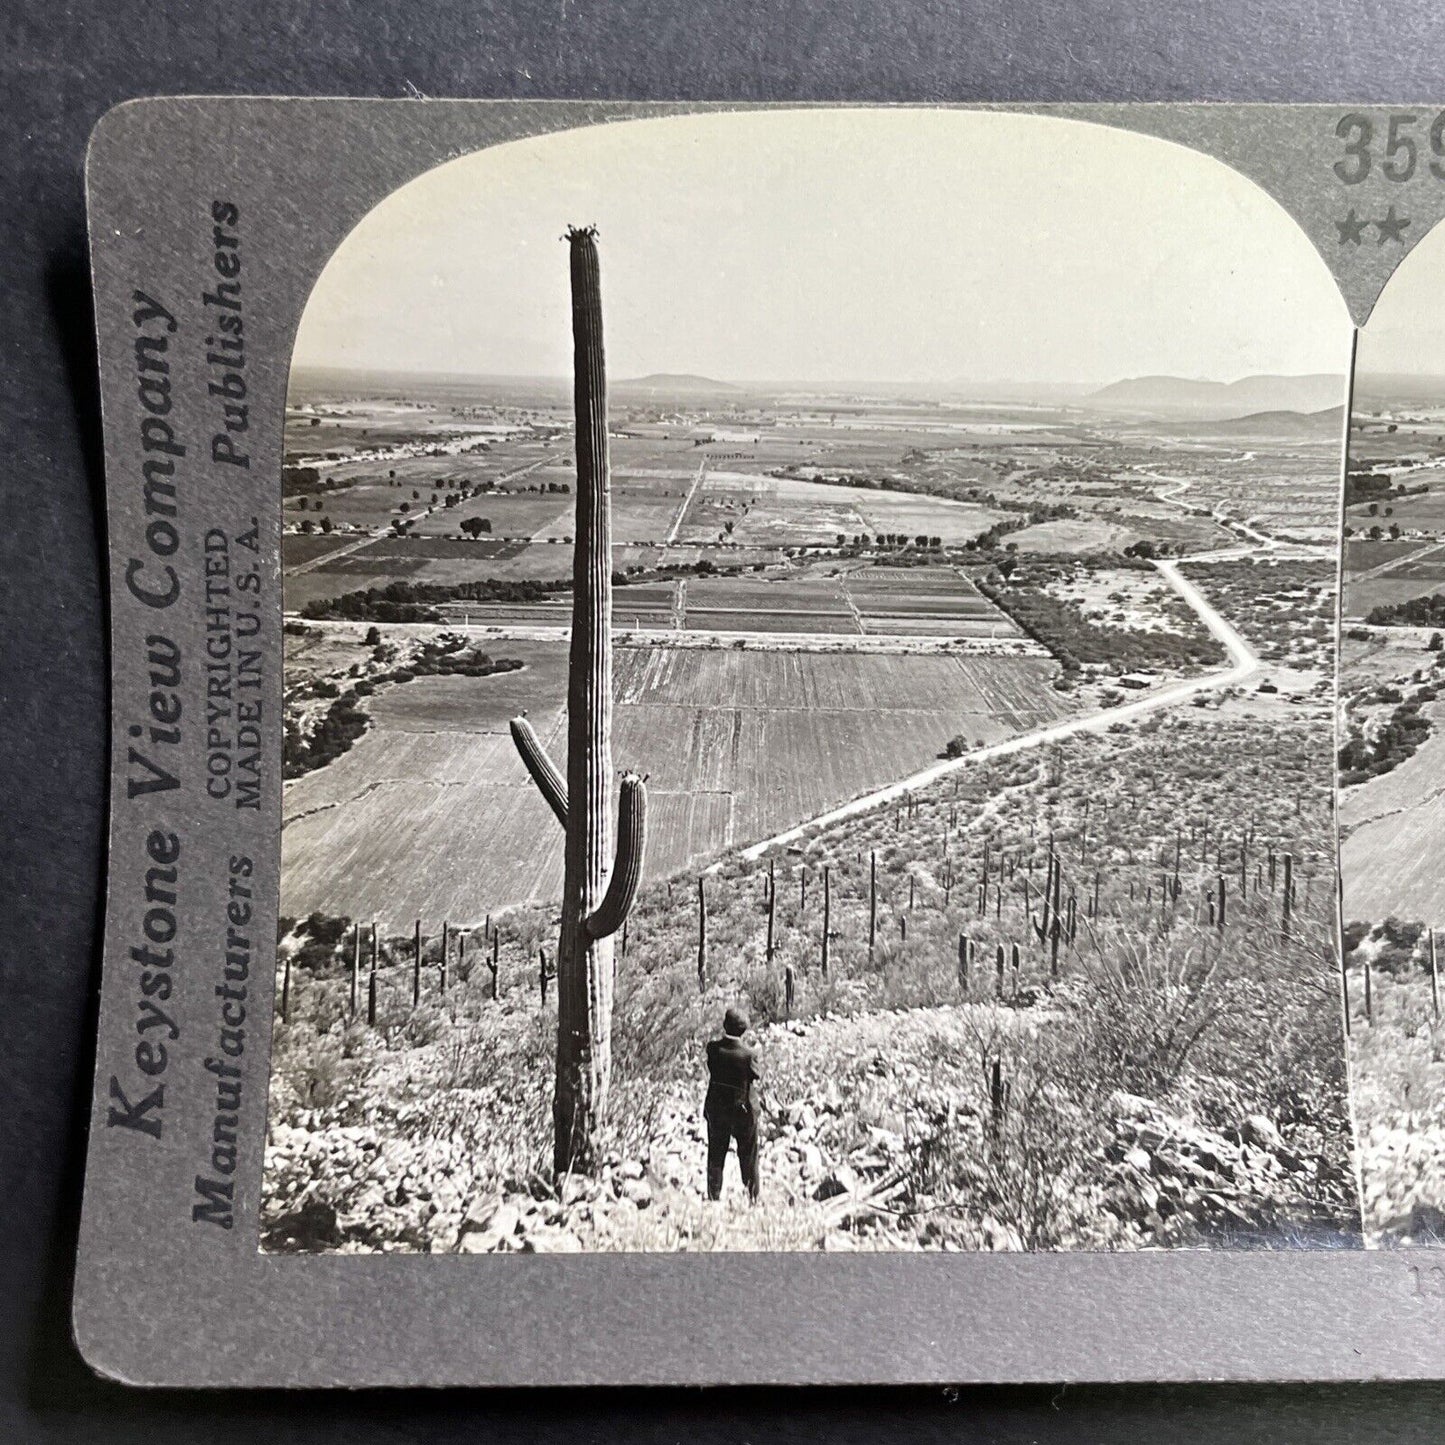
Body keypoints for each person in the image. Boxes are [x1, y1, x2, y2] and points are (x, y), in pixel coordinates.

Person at [704, 1005, 761, 1202]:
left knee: (716, 1155)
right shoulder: (748, 1055)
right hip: (743, 1111)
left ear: (724, 1025)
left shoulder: (712, 1049)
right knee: (748, 1157)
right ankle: (752, 1197)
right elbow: (756, 1075)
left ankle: (713, 1196)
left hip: (718, 1111)